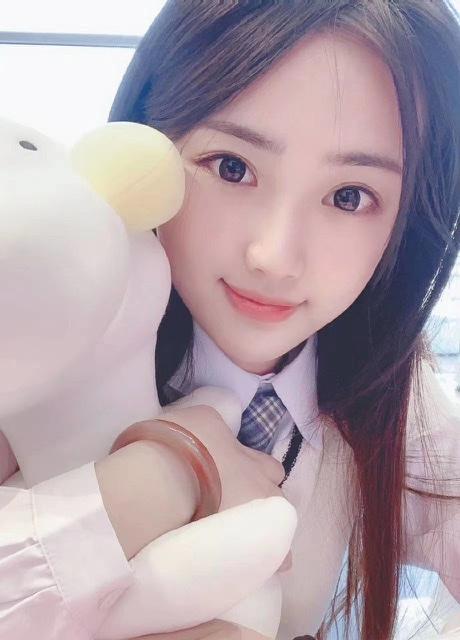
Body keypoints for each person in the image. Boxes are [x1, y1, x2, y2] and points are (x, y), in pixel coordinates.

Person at [1, 2, 460, 640]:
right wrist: (161, 476)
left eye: (349, 196)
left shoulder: (389, 400)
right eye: (232, 167)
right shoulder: (47, 344)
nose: (274, 257)